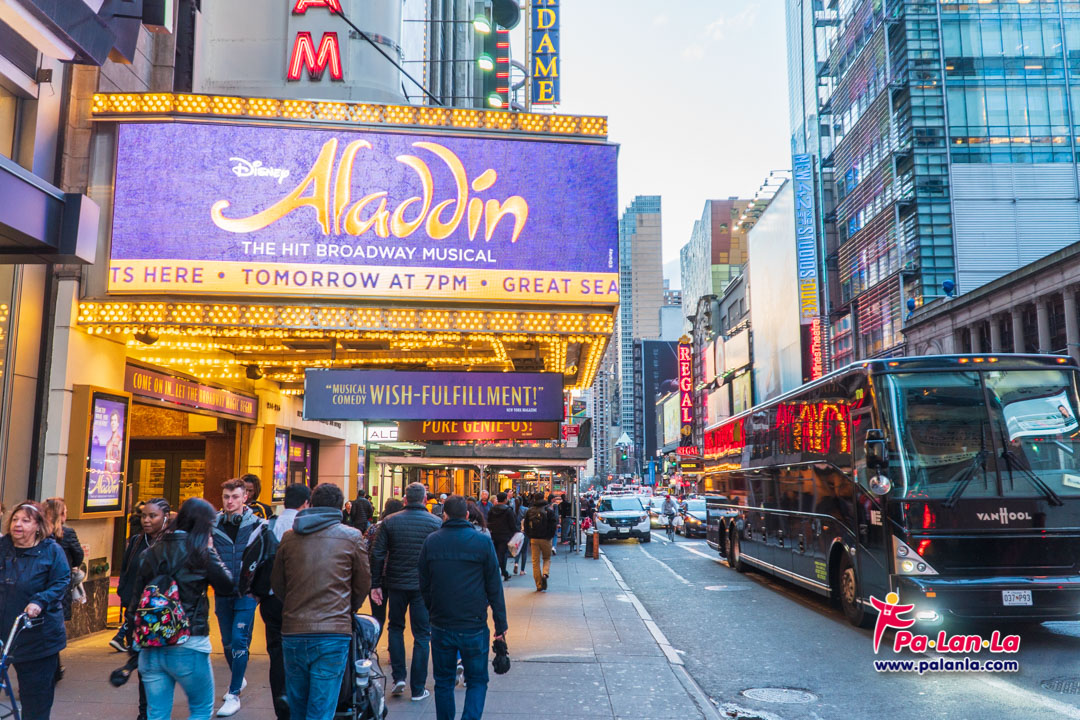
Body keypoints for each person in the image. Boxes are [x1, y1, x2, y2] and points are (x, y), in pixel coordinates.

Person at [272, 483, 371, 720]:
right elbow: (362, 583)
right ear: (340, 506)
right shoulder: (352, 537)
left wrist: (295, 603)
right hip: (333, 631)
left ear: (312, 503)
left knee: (298, 705)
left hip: (294, 629)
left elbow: (277, 583)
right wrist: (348, 608)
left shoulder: (289, 537)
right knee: (322, 706)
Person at [133, 498, 234, 720]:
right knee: (200, 709)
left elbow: (136, 600)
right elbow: (227, 586)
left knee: (156, 713)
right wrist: (211, 550)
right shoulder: (200, 553)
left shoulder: (150, 552)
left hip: (151, 643)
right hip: (189, 642)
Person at [419, 495, 508, 720]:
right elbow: (494, 586)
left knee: (443, 681)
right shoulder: (481, 541)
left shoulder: (432, 541)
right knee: (477, 680)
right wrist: (500, 625)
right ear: (467, 515)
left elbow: (424, 583)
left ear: (444, 515)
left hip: (442, 622)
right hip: (474, 623)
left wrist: (433, 609)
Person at [370, 482, 441, 701]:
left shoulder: (390, 522)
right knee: (422, 634)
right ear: (425, 498)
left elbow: (378, 553)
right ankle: (418, 688)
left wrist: (375, 584)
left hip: (396, 582)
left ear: (405, 500)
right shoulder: (435, 522)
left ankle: (398, 676)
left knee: (395, 627)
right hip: (422, 586)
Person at [212, 478, 276, 717]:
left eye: (235, 497)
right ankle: (239, 677)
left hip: (247, 593)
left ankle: (234, 692)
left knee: (239, 641)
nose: (230, 502)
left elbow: (269, 560)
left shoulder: (260, 526)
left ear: (245, 498)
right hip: (222, 593)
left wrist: (259, 590)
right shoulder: (213, 525)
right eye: (227, 497)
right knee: (227, 643)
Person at [0, 502, 70, 720]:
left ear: (39, 526)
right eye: (15, 519)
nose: (17, 525)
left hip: (38, 636)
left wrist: (40, 601)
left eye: (25, 520)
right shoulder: (3, 547)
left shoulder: (51, 551)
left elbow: (61, 582)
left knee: (35, 699)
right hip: (4, 631)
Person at [113, 498, 171, 720]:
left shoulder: (172, 543)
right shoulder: (136, 541)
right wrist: (126, 601)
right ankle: (144, 712)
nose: (146, 520)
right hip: (136, 615)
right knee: (144, 666)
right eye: (144, 516)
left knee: (160, 667)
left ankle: (157, 710)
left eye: (152, 516)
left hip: (162, 617)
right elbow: (127, 573)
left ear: (165, 517)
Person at [262, 483, 311, 720]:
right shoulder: (304, 528)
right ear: (306, 503)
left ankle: (281, 707)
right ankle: (298, 704)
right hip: (296, 599)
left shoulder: (269, 524)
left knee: (277, 654)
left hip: (271, 600)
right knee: (301, 651)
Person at [41, 498, 83, 683]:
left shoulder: (39, 533)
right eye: (64, 511)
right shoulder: (66, 533)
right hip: (59, 586)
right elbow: (78, 555)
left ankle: (54, 668)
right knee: (54, 624)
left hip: (42, 585)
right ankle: (54, 667)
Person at [365, 498, 403, 637]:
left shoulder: (374, 528)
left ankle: (371, 647)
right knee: (396, 618)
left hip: (376, 576)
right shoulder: (400, 528)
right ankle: (393, 649)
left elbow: (364, 548)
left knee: (377, 616)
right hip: (396, 576)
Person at [523, 493, 557, 591]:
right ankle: (545, 574)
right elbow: (553, 524)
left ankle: (538, 585)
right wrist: (550, 536)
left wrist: (530, 536)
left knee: (535, 562)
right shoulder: (548, 511)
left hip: (534, 539)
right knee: (546, 558)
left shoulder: (530, 511)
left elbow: (526, 525)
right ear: (543, 499)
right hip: (546, 539)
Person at [486, 492, 517, 582]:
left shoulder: (492, 509)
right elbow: (512, 523)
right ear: (505, 500)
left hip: (494, 534)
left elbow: (489, 521)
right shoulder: (508, 510)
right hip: (505, 535)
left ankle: (504, 572)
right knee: (502, 554)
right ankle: (499, 571)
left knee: (497, 552)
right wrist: (515, 532)